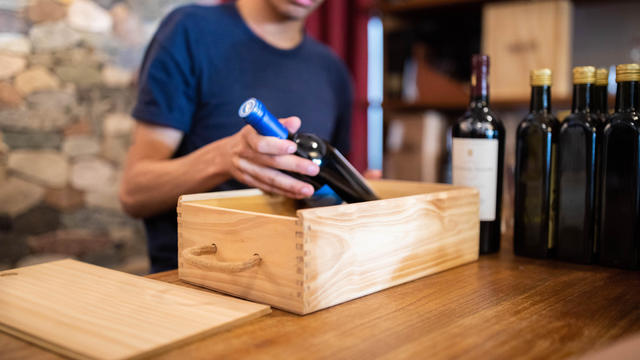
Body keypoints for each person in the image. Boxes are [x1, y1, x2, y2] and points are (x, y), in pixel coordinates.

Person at [119, 0, 359, 273]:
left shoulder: (332, 70)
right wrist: (224, 159)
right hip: (196, 282)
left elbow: (328, 189)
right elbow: (134, 193)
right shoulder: (191, 30)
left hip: (297, 277)